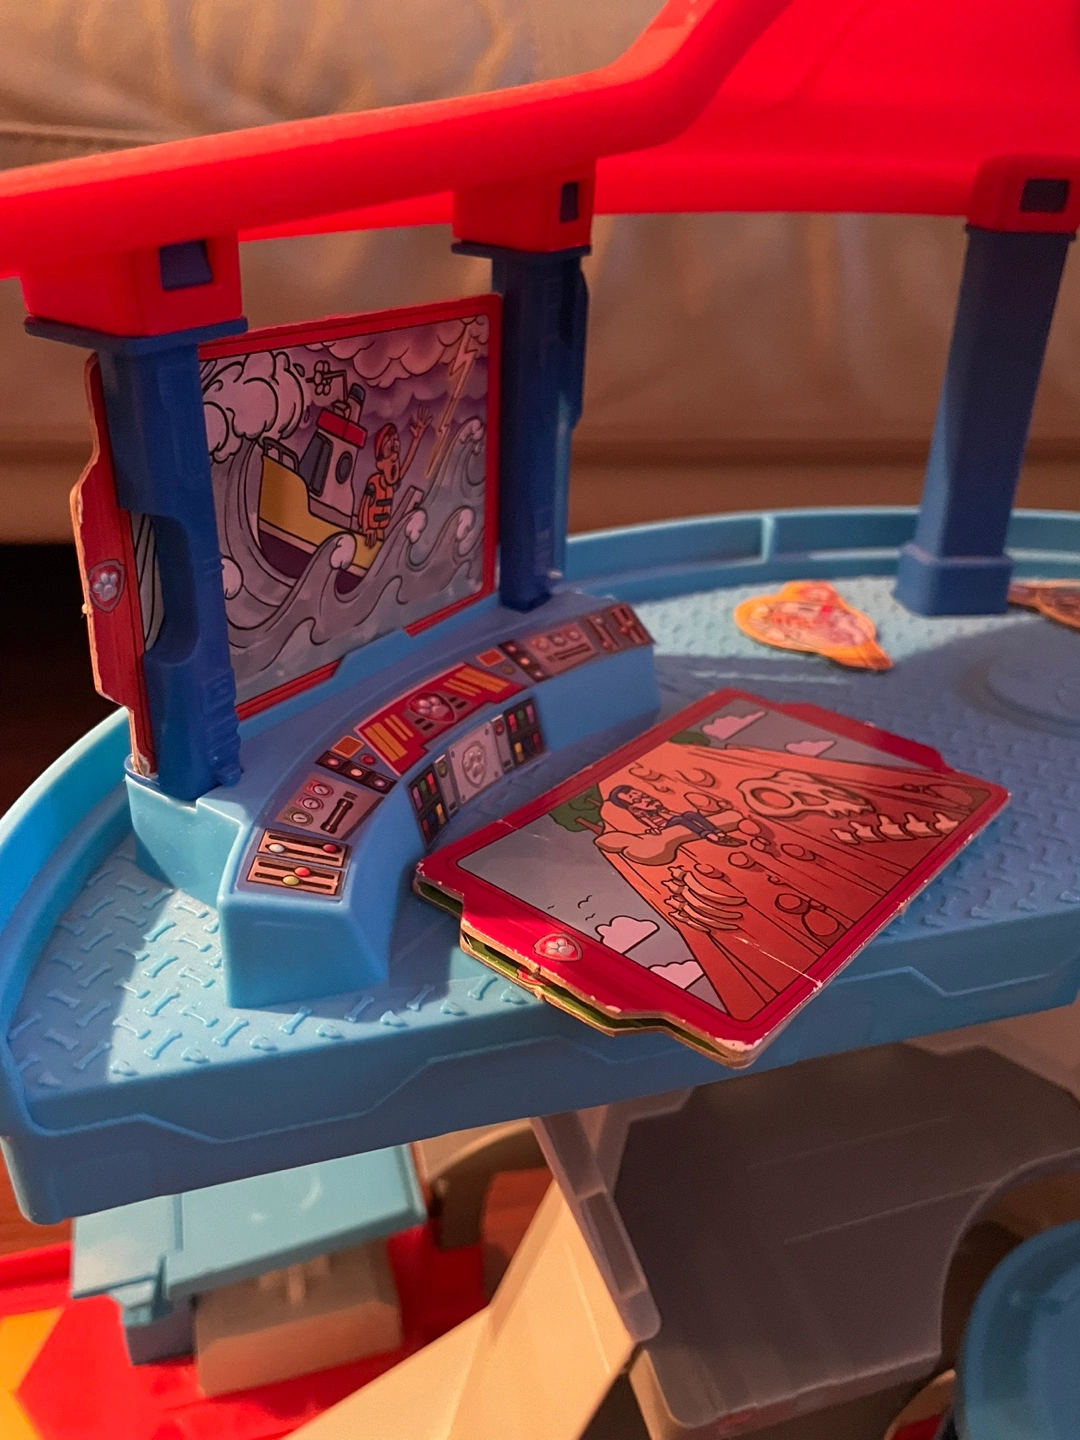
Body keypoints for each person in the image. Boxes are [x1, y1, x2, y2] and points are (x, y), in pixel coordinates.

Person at [357, 406, 429, 546]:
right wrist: (366, 528)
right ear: (380, 464)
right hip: (367, 532)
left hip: (380, 531)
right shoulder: (374, 483)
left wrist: (416, 440)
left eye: (396, 449)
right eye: (390, 450)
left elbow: (406, 464)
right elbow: (365, 505)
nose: (395, 456)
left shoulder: (391, 486)